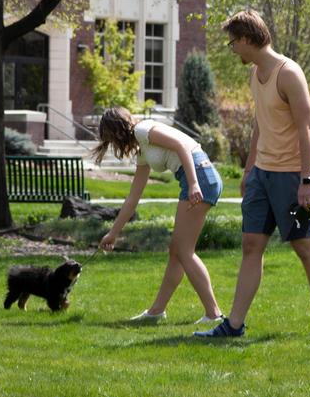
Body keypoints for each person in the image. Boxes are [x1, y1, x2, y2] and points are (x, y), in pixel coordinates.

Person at [195, 9, 310, 338]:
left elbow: (307, 129)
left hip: (291, 176)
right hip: (262, 173)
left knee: (304, 247)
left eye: (233, 44)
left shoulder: (289, 74)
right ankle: (233, 325)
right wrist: (249, 170)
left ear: (246, 40)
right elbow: (260, 124)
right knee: (250, 245)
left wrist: (306, 180)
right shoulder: (255, 74)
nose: (233, 50)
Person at [94, 107, 225, 324]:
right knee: (177, 251)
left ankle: (214, 314)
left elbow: (183, 146)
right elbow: (133, 197)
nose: (114, 146)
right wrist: (113, 233)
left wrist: (193, 183)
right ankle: (156, 312)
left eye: (110, 139)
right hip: (198, 177)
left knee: (184, 252)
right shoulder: (143, 149)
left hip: (199, 176)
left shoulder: (144, 129)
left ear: (117, 130)